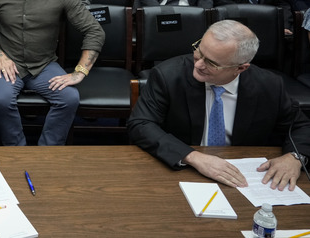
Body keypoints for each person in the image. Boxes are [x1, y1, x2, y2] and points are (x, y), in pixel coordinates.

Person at [128, 20, 310, 191]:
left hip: (246, 177)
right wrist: (192, 157)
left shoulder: (269, 86)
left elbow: (301, 126)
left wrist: (294, 157)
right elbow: (141, 125)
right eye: (199, 51)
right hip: (184, 171)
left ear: (241, 68)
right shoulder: (168, 76)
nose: (198, 64)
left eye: (211, 63)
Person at [0, 0, 104, 146]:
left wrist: (80, 71)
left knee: (69, 98)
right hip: (8, 65)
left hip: (43, 65)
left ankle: (47, 152)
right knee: (1, 100)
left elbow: (94, 30)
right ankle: (17, 152)